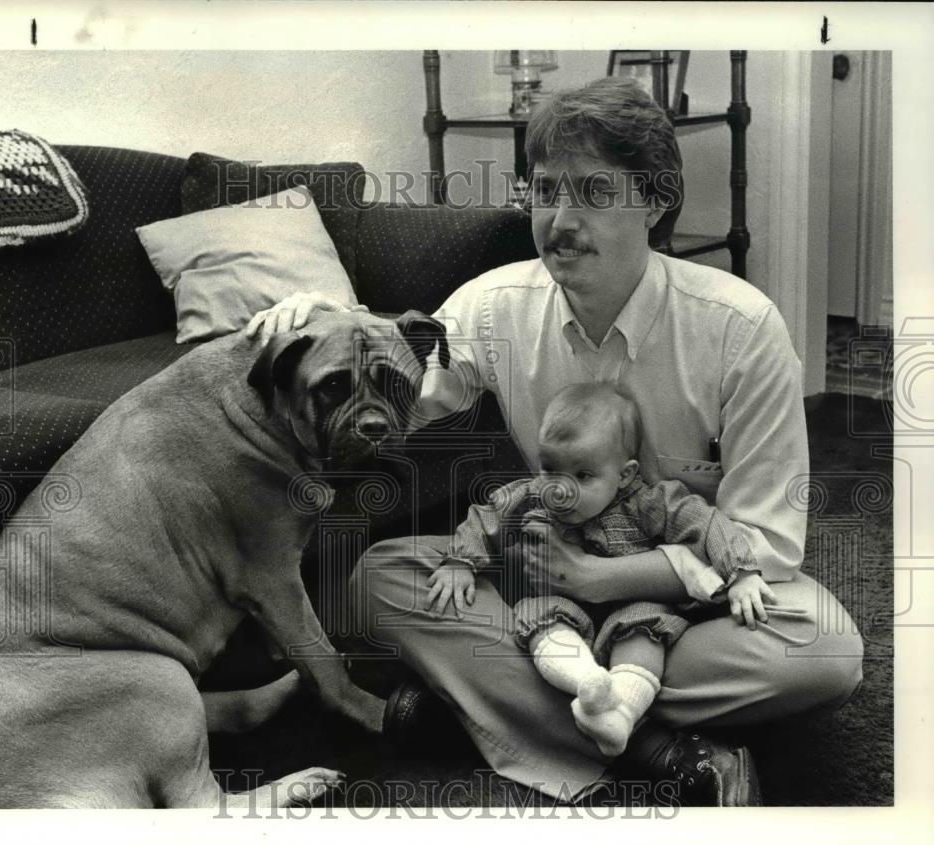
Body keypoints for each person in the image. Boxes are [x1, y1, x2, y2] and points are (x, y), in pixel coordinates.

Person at [248, 77, 863, 805]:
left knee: (825, 651)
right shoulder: (493, 305)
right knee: (379, 578)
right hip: (540, 586)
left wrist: (598, 582)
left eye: (595, 195)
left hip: (681, 600)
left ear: (657, 201)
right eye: (545, 192)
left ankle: (494, 705)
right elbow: (395, 395)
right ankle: (660, 750)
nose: (560, 221)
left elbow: (764, 542)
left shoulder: (741, 329)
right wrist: (324, 326)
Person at [426, 381, 776, 758]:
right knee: (539, 619)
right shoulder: (530, 499)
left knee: (645, 630)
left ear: (624, 475)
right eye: (550, 469)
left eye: (583, 476)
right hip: (561, 609)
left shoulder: (649, 502)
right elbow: (485, 517)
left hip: (633, 607)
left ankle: (620, 712)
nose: (561, 490)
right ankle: (587, 684)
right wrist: (460, 561)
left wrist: (741, 573)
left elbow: (707, 524)